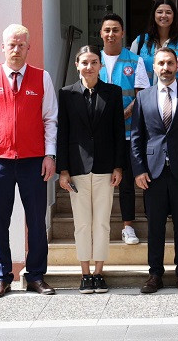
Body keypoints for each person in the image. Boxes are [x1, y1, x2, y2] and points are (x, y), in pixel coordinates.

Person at [0, 24, 58, 298]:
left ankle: (35, 276)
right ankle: (2, 276)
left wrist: (50, 154)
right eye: (12, 45)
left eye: (21, 45)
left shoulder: (41, 78)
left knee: (36, 219)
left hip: (34, 161)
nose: (16, 50)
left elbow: (50, 120)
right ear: (3, 47)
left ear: (28, 48)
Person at [131, 47, 178, 294]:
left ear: (177, 66)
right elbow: (137, 138)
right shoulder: (143, 98)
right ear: (154, 67)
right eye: (161, 63)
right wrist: (139, 170)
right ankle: (155, 274)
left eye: (170, 63)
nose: (165, 68)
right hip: (152, 174)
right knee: (155, 227)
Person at [57, 45, 125, 294]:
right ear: (77, 65)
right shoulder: (66, 94)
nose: (89, 66)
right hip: (77, 168)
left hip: (106, 168)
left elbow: (119, 132)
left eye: (94, 62)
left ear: (101, 65)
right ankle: (85, 273)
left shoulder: (113, 93)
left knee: (102, 223)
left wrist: (119, 165)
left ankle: (99, 272)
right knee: (82, 223)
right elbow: (62, 133)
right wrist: (62, 170)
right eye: (84, 62)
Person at [99, 13, 150, 246]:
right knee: (99, 182)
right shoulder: (92, 59)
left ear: (122, 34)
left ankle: (128, 226)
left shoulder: (134, 61)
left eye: (115, 30)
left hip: (129, 133)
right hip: (98, 135)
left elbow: (141, 96)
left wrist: (120, 118)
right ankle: (98, 226)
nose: (111, 34)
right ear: (101, 33)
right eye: (107, 30)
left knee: (127, 182)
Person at [130, 0, 178, 85]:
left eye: (168, 12)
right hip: (146, 96)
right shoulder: (140, 42)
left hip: (174, 96)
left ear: (174, 16)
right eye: (159, 12)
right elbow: (131, 72)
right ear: (154, 15)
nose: (164, 15)